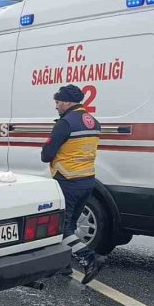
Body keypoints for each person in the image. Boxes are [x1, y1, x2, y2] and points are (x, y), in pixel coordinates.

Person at [41, 84, 107, 284]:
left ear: (68, 102)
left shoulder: (65, 123)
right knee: (70, 225)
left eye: (58, 102)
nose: (56, 106)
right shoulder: (92, 121)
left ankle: (90, 258)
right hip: (87, 180)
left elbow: (47, 155)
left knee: (61, 228)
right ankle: (64, 265)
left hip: (67, 180)